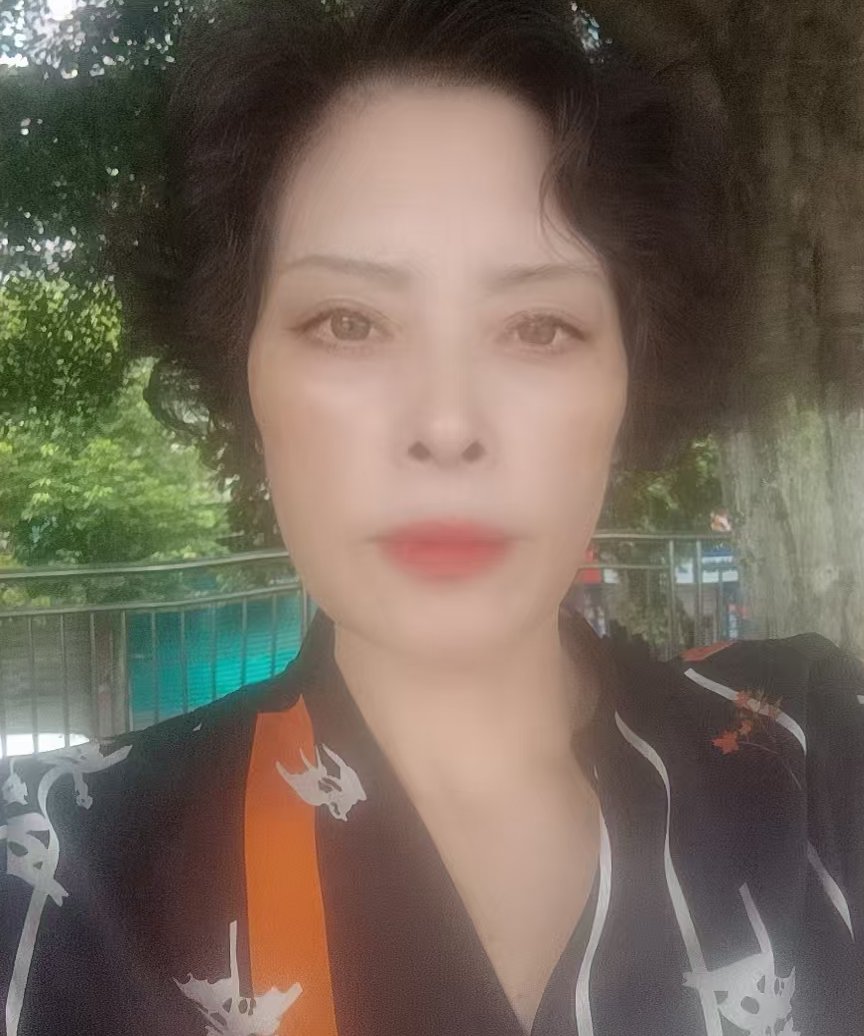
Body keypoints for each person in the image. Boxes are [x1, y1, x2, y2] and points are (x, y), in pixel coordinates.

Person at [2, 2, 862, 1034]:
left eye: (539, 327)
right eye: (349, 322)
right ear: (244, 379)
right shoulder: (55, 874)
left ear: (633, 384)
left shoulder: (817, 763)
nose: (447, 426)